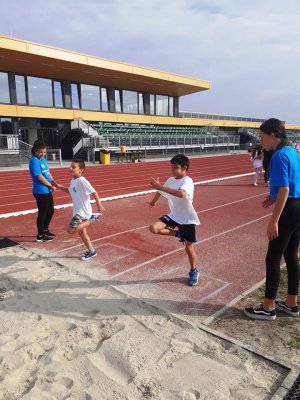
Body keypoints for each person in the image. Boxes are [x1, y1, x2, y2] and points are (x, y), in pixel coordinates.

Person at [244, 118, 300, 320]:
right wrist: (273, 196)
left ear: (273, 136)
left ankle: (268, 307)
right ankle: (291, 303)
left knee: (273, 258)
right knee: (292, 256)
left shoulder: (278, 156)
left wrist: (274, 220)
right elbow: (291, 185)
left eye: (262, 136)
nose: (261, 140)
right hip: (298, 206)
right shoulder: (292, 152)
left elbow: (285, 189)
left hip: (288, 210)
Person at [148, 154, 200, 286]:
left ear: (184, 168)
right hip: (174, 215)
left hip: (187, 219)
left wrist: (161, 187)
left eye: (175, 167)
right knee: (154, 228)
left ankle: (194, 271)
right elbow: (160, 192)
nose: (172, 170)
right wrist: (153, 201)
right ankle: (178, 234)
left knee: (189, 248)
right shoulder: (171, 180)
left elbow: (182, 194)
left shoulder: (188, 181)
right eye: (171, 167)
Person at [56, 159, 105, 261]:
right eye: (71, 166)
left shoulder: (82, 181)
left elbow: (94, 192)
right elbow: (70, 191)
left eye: (73, 167)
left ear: (81, 170)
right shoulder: (73, 181)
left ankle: (92, 219)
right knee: (82, 233)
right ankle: (92, 251)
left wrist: (99, 205)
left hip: (83, 213)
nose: (70, 168)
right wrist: (58, 186)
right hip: (78, 211)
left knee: (71, 230)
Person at [29, 141, 57, 242]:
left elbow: (47, 173)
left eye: (44, 152)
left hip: (46, 190)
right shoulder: (34, 161)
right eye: (40, 152)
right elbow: (39, 177)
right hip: (40, 191)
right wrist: (50, 185)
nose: (43, 154)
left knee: (51, 210)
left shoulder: (43, 160)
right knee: (43, 212)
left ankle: (45, 229)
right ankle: (40, 235)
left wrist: (53, 183)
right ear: (35, 151)